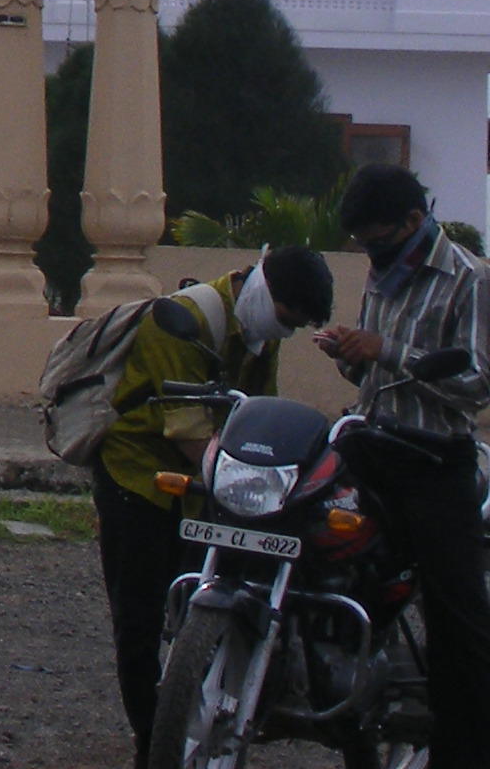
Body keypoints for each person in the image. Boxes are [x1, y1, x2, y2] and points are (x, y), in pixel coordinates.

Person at [92, 244, 336, 769]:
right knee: (137, 621)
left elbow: (259, 417)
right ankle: (151, 745)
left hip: (202, 484)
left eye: (294, 327)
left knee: (197, 610)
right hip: (138, 476)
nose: (284, 332)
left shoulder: (256, 335)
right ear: (266, 289)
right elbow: (185, 428)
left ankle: (185, 727)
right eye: (286, 318)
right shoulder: (180, 317)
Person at [314, 164, 490, 769]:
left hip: (434, 460)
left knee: (459, 617)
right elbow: (372, 373)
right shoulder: (382, 271)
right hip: (370, 443)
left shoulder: (469, 279)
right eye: (363, 242)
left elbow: (478, 381)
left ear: (415, 222)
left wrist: (390, 351)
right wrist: (351, 354)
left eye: (378, 236)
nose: (371, 250)